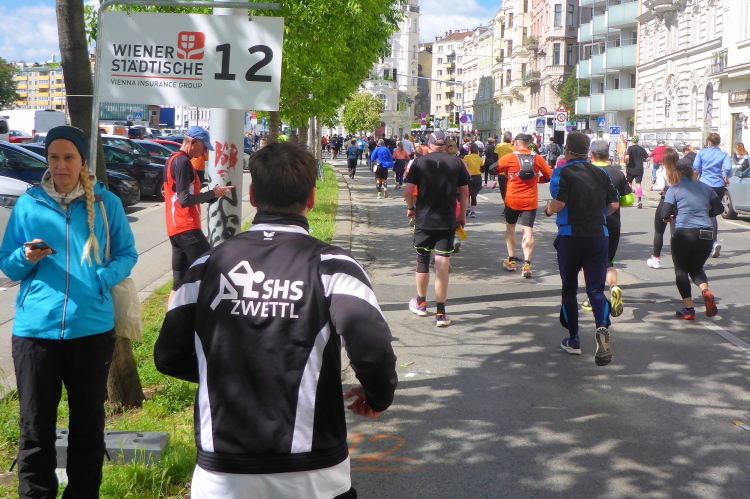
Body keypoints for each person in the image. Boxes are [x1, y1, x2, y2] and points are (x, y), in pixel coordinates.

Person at [155, 142, 397, 499]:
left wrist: (227, 372)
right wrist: (378, 396)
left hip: (223, 472)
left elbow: (168, 356)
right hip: (313, 473)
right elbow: (372, 348)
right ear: (311, 198)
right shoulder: (334, 267)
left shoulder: (206, 267)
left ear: (253, 195)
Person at [0, 126, 138, 498]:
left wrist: (101, 278)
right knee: (34, 429)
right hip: (35, 334)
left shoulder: (107, 203)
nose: (61, 165)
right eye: (54, 157)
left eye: (69, 157)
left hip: (90, 331)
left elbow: (127, 253)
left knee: (88, 427)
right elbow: (7, 265)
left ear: (82, 161)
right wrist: (25, 256)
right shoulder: (28, 204)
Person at [544, 132, 619, 366]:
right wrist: (599, 215)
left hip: (570, 236)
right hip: (598, 236)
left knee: (569, 288)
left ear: (566, 149)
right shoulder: (601, 173)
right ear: (588, 151)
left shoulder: (562, 171)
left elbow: (559, 203)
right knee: (595, 289)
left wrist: (547, 210)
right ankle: (602, 326)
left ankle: (574, 339)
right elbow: (614, 204)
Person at [404, 131, 470, 327]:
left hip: (424, 219)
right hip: (447, 219)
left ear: (429, 145)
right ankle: (441, 313)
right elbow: (464, 193)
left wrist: (411, 208)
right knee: (442, 263)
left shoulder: (419, 162)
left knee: (422, 260)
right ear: (446, 146)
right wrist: (462, 216)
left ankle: (421, 303)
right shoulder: (457, 162)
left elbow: (408, 192)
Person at [164, 126, 235, 305]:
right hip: (186, 227)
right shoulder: (182, 162)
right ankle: (210, 315)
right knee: (211, 270)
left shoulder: (173, 159)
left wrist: (213, 195)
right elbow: (184, 200)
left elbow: (182, 197)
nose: (204, 153)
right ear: (193, 142)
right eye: (203, 147)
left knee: (179, 282)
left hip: (175, 228)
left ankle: (172, 318)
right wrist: (212, 194)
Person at [662, 149, 722, 320]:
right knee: (696, 268)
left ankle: (689, 309)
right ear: (693, 171)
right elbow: (719, 208)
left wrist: (670, 216)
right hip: (706, 233)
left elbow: (664, 214)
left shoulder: (674, 189)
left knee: (681, 270)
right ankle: (705, 291)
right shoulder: (707, 188)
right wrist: (704, 214)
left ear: (678, 172)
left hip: (684, 233)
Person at [583, 140, 631, 317]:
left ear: (591, 155)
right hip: (612, 222)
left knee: (588, 262)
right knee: (608, 261)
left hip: (590, 223)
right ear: (608, 155)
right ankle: (614, 287)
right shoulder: (617, 173)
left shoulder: (586, 171)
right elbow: (628, 200)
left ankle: (591, 298)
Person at [496, 133, 553, 278]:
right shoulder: (537, 158)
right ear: (528, 144)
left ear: (516, 143)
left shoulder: (509, 157)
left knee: (510, 227)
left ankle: (511, 260)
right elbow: (549, 176)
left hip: (512, 199)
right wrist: (537, 179)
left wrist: (507, 173)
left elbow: (492, 168)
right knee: (528, 230)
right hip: (530, 200)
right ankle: (527, 263)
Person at [693, 133, 731, 258]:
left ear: (709, 142)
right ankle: (713, 242)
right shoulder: (723, 154)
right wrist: (726, 178)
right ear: (718, 142)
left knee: (702, 212)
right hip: (718, 185)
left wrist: (697, 176)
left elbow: (696, 167)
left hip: (704, 184)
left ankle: (705, 241)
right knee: (713, 214)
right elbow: (728, 168)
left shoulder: (702, 153)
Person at [647, 148, 675, 269]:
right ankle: (679, 259)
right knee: (675, 233)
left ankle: (656, 258)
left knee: (659, 232)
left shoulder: (661, 171)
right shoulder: (679, 171)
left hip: (666, 201)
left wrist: (653, 187)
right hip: (678, 202)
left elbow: (661, 186)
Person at [624, 135, 648, 209]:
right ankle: (639, 200)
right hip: (639, 169)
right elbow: (648, 158)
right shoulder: (642, 149)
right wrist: (642, 160)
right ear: (637, 141)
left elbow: (627, 157)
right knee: (638, 184)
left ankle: (629, 200)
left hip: (631, 168)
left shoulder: (630, 148)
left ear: (632, 141)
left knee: (629, 183)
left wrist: (626, 163)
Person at [463, 142, 484, 217]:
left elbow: (464, 167)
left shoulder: (466, 157)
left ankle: (467, 207)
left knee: (467, 194)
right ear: (477, 151)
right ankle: (473, 212)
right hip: (477, 177)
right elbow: (482, 169)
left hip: (468, 177)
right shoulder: (479, 158)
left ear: (470, 150)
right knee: (474, 195)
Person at [493, 131, 514, 196]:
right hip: (512, 170)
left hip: (501, 170)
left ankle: (505, 200)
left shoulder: (499, 146)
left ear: (504, 137)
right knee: (511, 189)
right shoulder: (514, 146)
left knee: (503, 189)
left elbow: (495, 157)